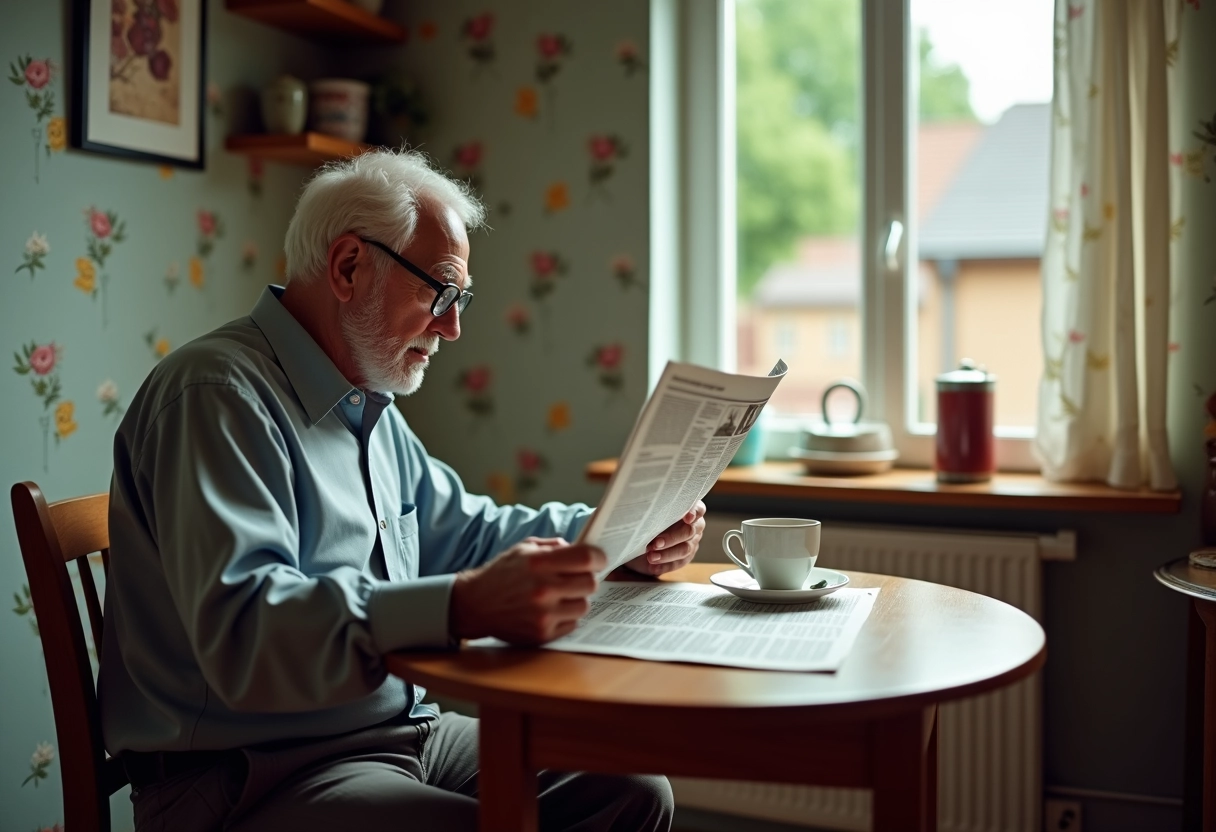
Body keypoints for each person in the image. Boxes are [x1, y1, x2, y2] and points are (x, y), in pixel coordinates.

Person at [99, 149, 706, 832]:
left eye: (460, 300)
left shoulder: (366, 405)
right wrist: (460, 604)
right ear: (348, 267)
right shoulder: (215, 397)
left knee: (632, 790)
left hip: (401, 733)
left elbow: (468, 533)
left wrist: (616, 535)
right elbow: (247, 631)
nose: (452, 327)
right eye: (439, 292)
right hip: (251, 774)